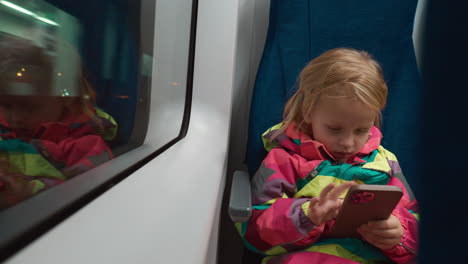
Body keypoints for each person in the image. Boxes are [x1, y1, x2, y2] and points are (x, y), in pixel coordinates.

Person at [238, 48, 418, 264]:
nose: (348, 143)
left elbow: (417, 227)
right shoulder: (285, 159)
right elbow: (255, 232)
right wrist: (307, 215)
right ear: (308, 111)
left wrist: (398, 234)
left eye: (361, 130)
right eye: (334, 129)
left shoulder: (385, 163)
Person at [0, 36, 118, 209]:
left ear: (66, 99)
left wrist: (30, 191)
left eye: (30, 108)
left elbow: (85, 190)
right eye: (6, 105)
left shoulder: (87, 144)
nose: (15, 117)